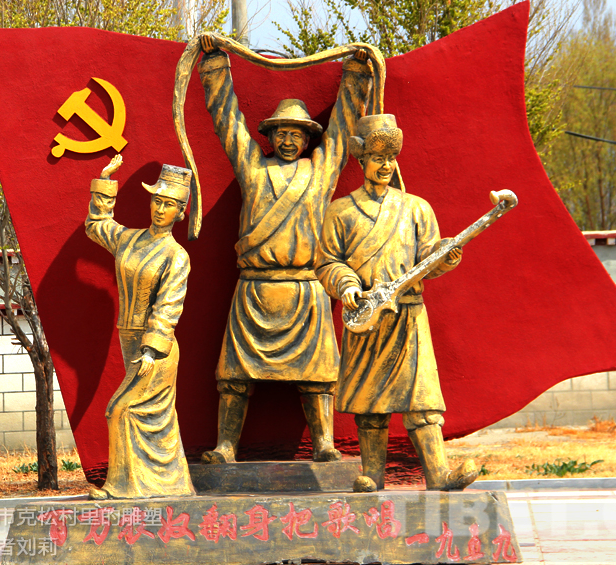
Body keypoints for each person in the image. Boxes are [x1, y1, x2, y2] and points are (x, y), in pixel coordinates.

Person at [197, 34, 372, 464]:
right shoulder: (253, 170)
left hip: (305, 288)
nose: (289, 140)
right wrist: (215, 67)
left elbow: (343, 127)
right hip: (254, 288)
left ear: (308, 139)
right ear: (270, 137)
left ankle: (324, 444)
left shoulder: (321, 171)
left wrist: (355, 75)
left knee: (318, 377)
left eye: (296, 134)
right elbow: (227, 122)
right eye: (281, 133)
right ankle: (226, 446)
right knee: (233, 377)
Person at [315, 115, 478, 492]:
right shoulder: (341, 211)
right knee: (370, 406)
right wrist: (347, 285)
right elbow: (327, 262)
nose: (386, 165)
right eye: (378, 158)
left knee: (423, 403)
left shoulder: (417, 209)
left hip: (409, 316)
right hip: (366, 316)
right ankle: (372, 477)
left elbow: (428, 262)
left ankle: (439, 475)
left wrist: (445, 257)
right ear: (362, 160)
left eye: (391, 158)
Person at [84, 154, 196, 499]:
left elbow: (168, 307)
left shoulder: (176, 256)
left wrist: (150, 350)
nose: (160, 209)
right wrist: (106, 182)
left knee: (120, 409)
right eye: (157, 201)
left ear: (180, 212)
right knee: (153, 420)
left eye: (169, 204)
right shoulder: (129, 240)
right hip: (129, 340)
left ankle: (119, 487)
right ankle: (166, 485)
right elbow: (96, 225)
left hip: (156, 351)